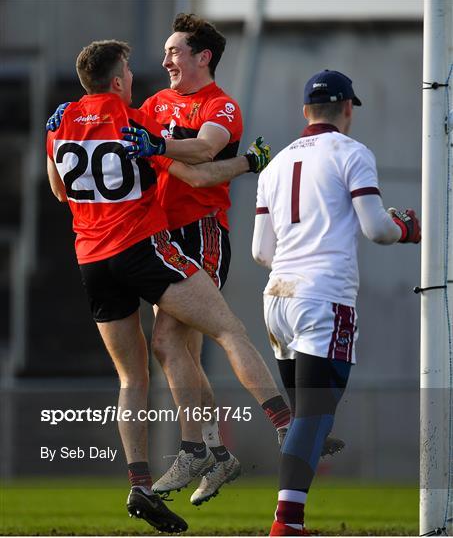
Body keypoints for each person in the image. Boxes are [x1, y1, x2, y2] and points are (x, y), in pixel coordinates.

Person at [46, 39, 285, 534]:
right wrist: (250, 163)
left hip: (90, 260)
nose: (138, 74)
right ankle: (283, 424)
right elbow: (193, 171)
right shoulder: (136, 121)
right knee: (227, 328)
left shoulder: (61, 122)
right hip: (139, 248)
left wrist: (59, 147)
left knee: (135, 378)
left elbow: (59, 189)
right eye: (130, 69)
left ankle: (142, 482)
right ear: (117, 81)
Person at [251, 70, 421, 536]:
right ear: (348, 108)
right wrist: (408, 227)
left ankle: (291, 516)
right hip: (322, 298)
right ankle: (288, 524)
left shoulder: (275, 165)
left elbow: (260, 253)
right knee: (314, 413)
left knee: (308, 416)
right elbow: (378, 229)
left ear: (305, 110)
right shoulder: (352, 152)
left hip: (277, 301)